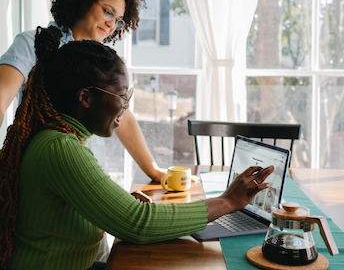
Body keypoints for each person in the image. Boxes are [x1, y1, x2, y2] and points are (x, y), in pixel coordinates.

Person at [0, 26, 274, 270]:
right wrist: (227, 201)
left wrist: (119, 204)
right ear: (85, 97)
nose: (125, 106)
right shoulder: (60, 148)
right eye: (121, 96)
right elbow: (138, 224)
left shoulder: (61, 139)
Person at [0, 0, 166, 184]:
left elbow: (121, 117)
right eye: (108, 12)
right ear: (84, 0)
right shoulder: (33, 43)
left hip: (91, 171)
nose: (111, 24)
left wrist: (153, 171)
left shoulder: (102, 60)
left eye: (118, 21)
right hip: (47, 174)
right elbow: (1, 96)